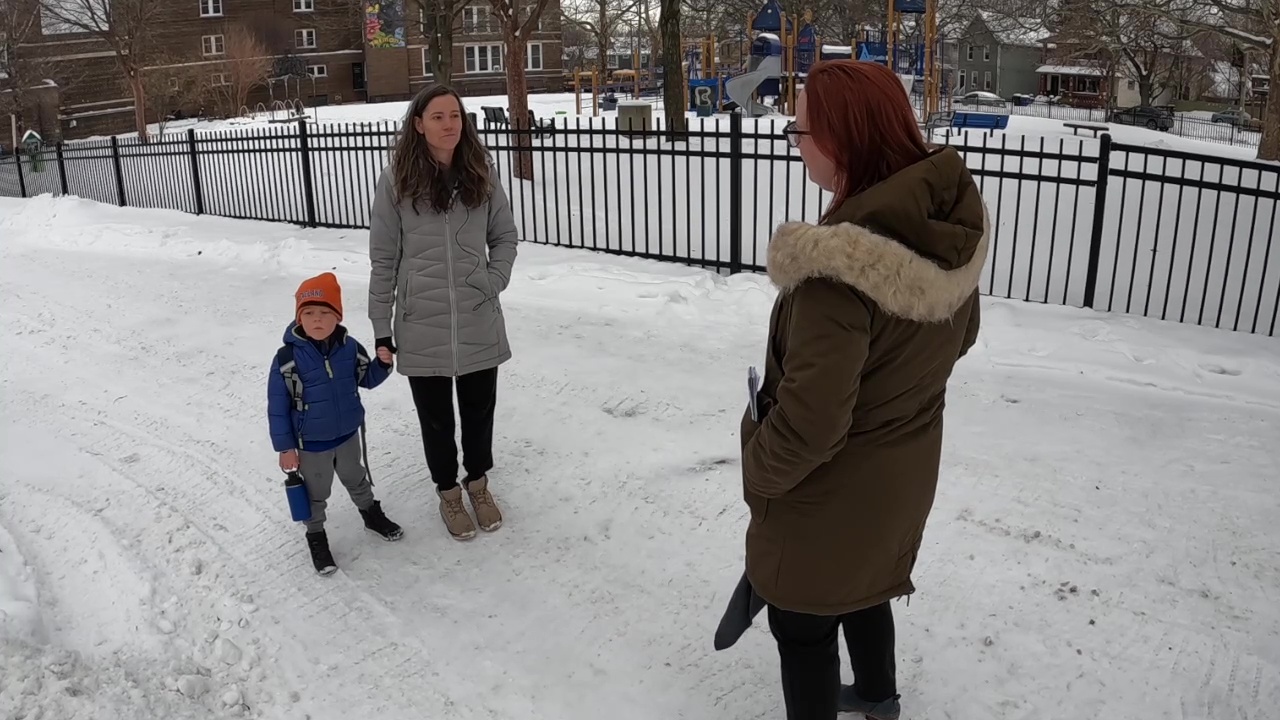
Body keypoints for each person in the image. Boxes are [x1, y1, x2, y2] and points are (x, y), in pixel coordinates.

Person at [739, 60, 986, 720]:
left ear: (839, 141)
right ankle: (878, 696)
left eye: (799, 130)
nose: (795, 143)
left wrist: (758, 470)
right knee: (864, 584)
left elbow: (810, 427)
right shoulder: (939, 230)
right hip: (901, 477)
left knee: (803, 622)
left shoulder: (835, 274)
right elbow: (960, 337)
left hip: (830, 494)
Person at [368, 84, 519, 541]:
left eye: (455, 115)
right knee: (435, 419)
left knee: (479, 412)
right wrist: (381, 328)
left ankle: (479, 485)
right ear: (418, 124)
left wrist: (493, 281)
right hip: (421, 320)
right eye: (437, 116)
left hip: (477, 314)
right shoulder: (396, 181)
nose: (449, 124)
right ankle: (449, 493)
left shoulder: (481, 174)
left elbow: (504, 237)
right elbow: (384, 259)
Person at [268, 272, 404, 576]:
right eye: (309, 313)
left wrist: (383, 364)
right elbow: (277, 408)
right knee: (316, 493)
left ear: (338, 317)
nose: (317, 319)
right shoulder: (287, 360)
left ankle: (371, 515)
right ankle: (316, 536)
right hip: (311, 443)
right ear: (299, 318)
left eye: (324, 312)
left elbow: (366, 379)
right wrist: (285, 448)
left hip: (347, 435)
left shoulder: (350, 348)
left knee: (357, 478)